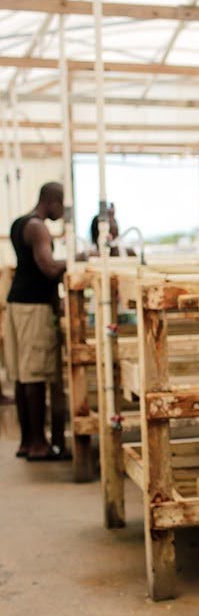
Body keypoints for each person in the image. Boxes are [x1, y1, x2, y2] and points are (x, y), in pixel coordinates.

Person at [5, 182, 69, 461]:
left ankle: (26, 441)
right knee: (36, 375)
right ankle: (39, 444)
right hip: (34, 308)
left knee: (21, 374)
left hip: (17, 303)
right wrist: (76, 260)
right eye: (61, 204)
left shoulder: (20, 223)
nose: (62, 211)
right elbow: (49, 267)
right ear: (52, 201)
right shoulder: (38, 227)